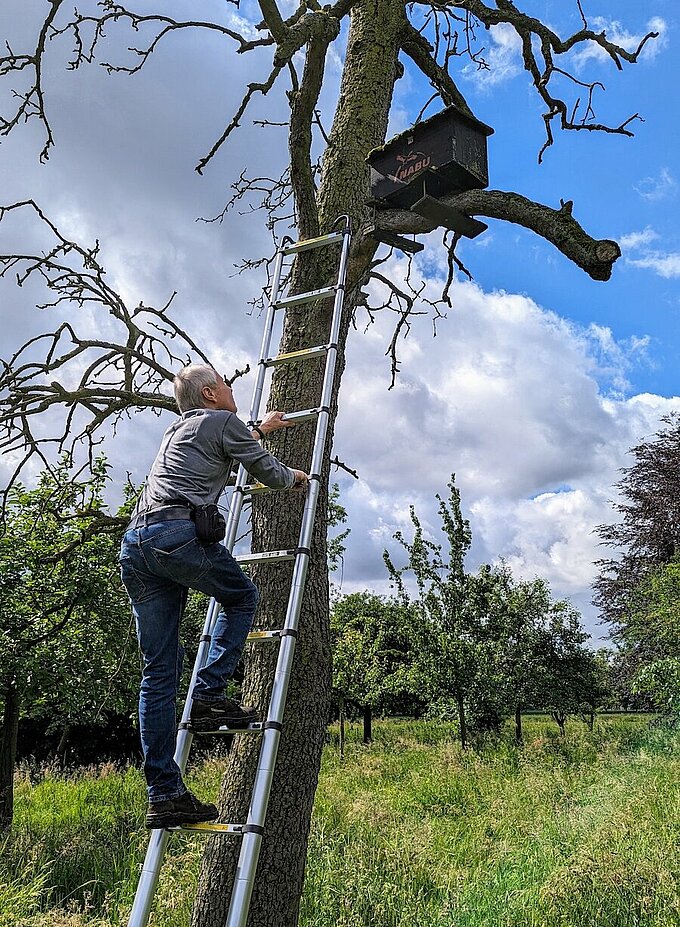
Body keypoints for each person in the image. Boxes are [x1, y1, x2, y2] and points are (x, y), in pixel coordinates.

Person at [119, 363, 309, 829]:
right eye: (225, 383)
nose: (230, 387)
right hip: (177, 536)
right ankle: (208, 693)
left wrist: (259, 428)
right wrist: (297, 479)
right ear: (209, 393)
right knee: (242, 598)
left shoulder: (176, 433)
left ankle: (164, 795)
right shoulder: (221, 422)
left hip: (137, 546)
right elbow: (268, 472)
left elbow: (222, 448)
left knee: (158, 673)